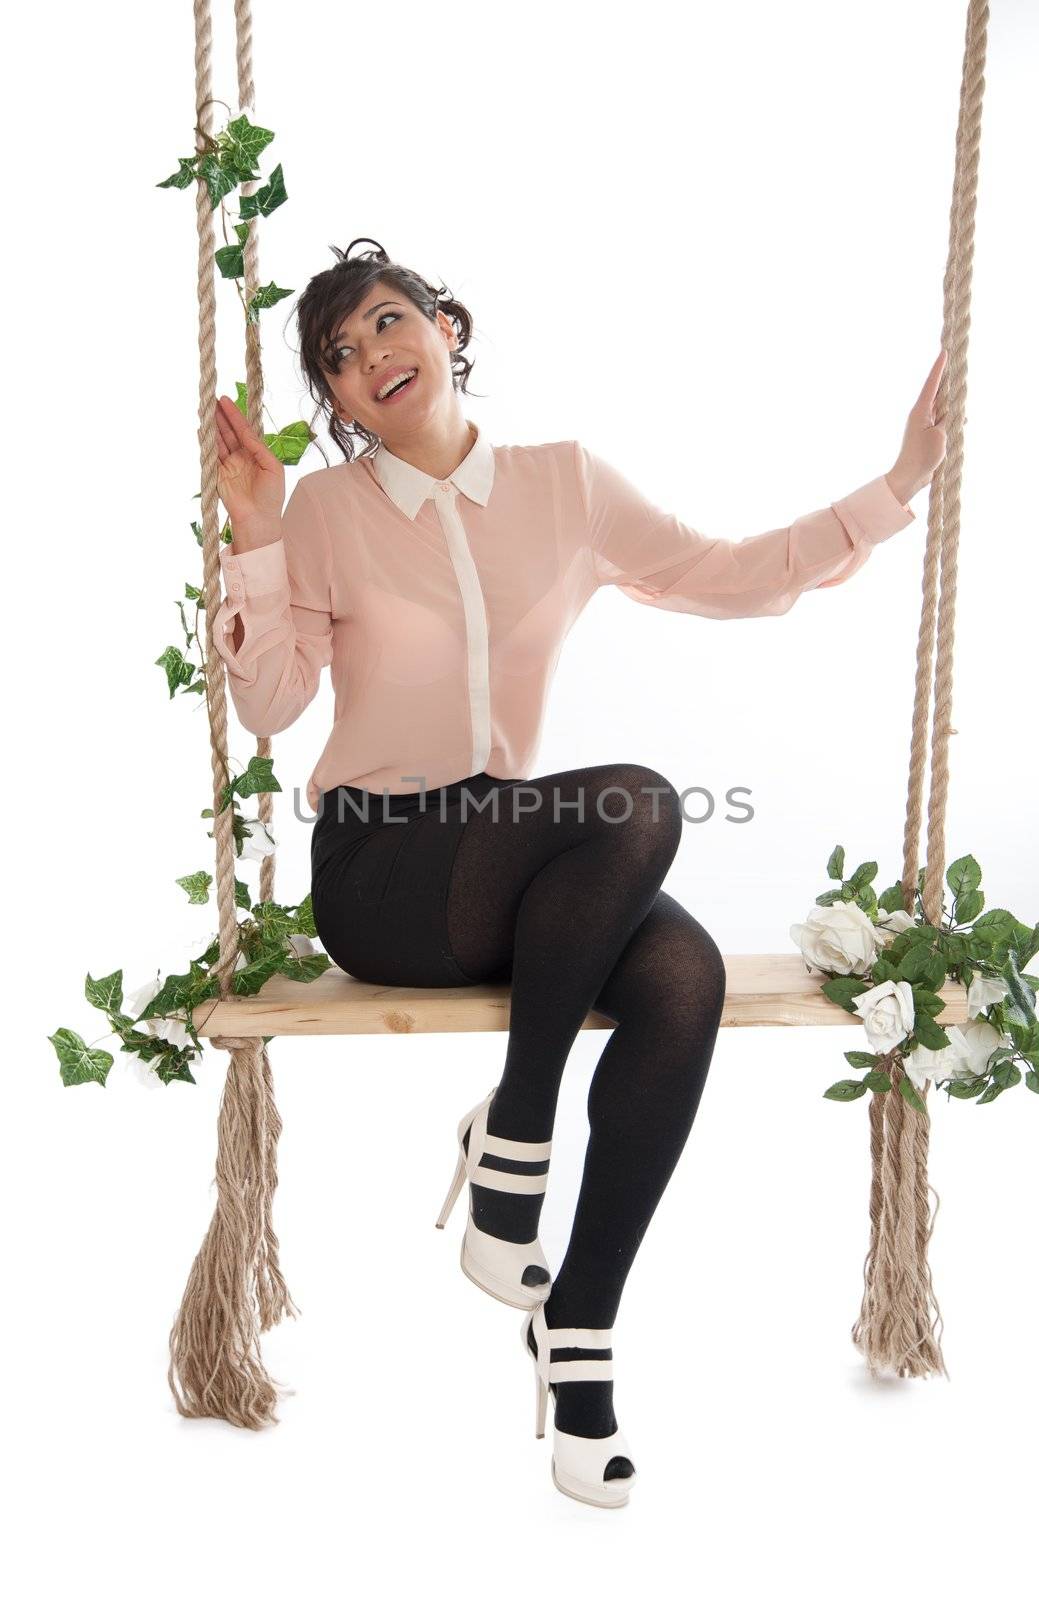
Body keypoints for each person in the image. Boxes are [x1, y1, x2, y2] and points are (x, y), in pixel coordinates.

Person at [211, 237, 948, 1508]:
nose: (370, 355)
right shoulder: (325, 516)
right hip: (385, 870)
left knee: (682, 974)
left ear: (447, 326)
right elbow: (272, 707)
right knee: (640, 805)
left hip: (510, 855)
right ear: (332, 401)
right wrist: (260, 535)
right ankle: (519, 1129)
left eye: (389, 323)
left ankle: (582, 1330)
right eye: (338, 354)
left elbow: (733, 576)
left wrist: (897, 483)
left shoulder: (565, 487)